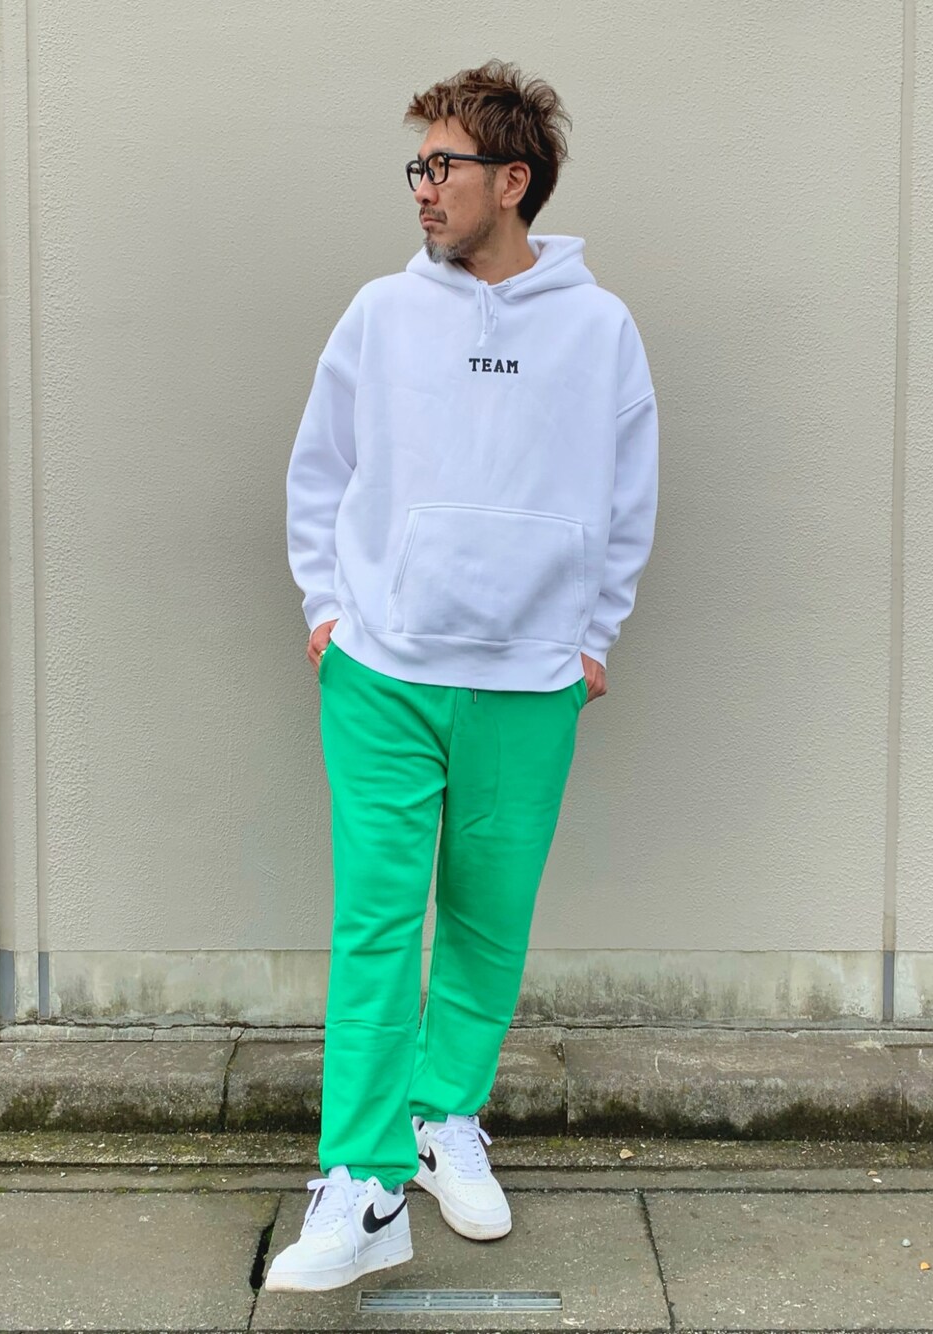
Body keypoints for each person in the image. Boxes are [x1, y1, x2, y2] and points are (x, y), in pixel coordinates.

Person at [266, 60, 658, 1294]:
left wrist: (592, 635)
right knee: (377, 922)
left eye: (443, 166)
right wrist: (329, 610)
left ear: (512, 180)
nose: (422, 188)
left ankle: (444, 1117)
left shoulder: (597, 329)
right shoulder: (381, 312)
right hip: (382, 668)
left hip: (529, 678)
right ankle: (360, 1178)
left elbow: (628, 491)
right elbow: (321, 466)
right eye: (418, 166)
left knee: (488, 919)